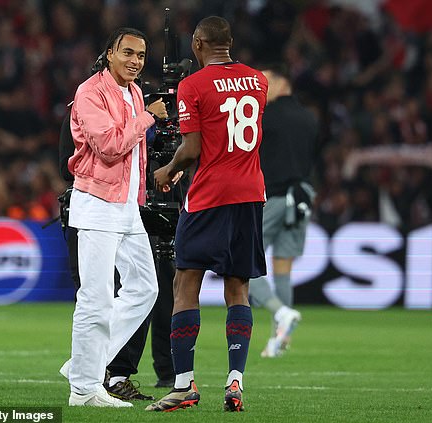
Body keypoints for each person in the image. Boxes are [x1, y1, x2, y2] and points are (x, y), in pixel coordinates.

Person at [147, 16, 268, 413]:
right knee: (238, 288)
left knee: (186, 284)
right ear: (229, 43)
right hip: (250, 193)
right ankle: (235, 382)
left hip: (209, 195)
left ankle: (183, 385)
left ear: (198, 43)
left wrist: (167, 170)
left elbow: (194, 147)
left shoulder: (193, 84)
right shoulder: (258, 80)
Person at [61, 26, 176, 408]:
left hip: (127, 207)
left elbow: (134, 152)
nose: (135, 61)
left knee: (145, 288)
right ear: (109, 53)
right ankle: (84, 389)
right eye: (127, 53)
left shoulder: (134, 92)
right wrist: (147, 118)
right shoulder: (90, 92)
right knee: (94, 299)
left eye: (141, 56)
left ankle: (83, 364)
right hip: (96, 204)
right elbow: (109, 147)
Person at [248, 64, 318, 358]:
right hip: (302, 197)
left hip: (274, 196)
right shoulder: (309, 118)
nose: (259, 91)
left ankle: (280, 313)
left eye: (264, 84)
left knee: (243, 260)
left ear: (280, 83)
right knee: (283, 266)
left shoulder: (268, 116)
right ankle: (282, 340)